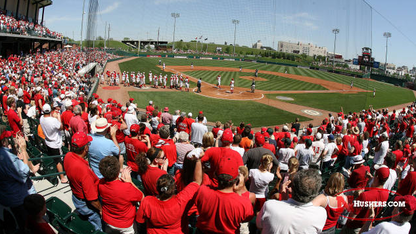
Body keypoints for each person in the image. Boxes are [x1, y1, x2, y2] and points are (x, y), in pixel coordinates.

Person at [136, 155, 202, 234]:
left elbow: (140, 221)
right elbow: (197, 181)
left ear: (157, 188)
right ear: (174, 188)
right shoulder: (181, 200)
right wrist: (197, 160)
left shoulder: (147, 201)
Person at [195, 155, 254, 233]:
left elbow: (196, 182)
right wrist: (238, 192)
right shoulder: (244, 203)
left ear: (215, 175)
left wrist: (198, 160)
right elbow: (246, 218)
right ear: (238, 179)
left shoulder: (202, 191)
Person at [256, 169, 326, 233]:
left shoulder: (269, 205)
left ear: (291, 187)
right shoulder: (320, 214)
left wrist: (283, 200)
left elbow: (259, 225)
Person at [0, 126, 39, 231]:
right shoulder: (6, 158)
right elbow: (24, 172)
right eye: (6, 138)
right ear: (3, 142)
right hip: (19, 199)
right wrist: (23, 149)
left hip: (7, 196)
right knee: (29, 226)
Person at [64, 131, 102, 231]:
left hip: (76, 196)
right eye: (88, 144)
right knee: (96, 225)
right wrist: (100, 209)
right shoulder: (83, 171)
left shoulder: (68, 156)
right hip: (86, 203)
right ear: (85, 148)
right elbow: (92, 199)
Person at [98, 156, 144, 233]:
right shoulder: (126, 188)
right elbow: (142, 197)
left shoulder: (100, 183)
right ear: (117, 171)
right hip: (125, 225)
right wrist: (130, 182)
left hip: (108, 221)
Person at [39, 103, 67, 183]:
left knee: (55, 158)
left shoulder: (41, 118)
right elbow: (61, 127)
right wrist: (58, 118)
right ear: (50, 111)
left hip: (48, 141)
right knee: (58, 160)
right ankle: (62, 177)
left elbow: (48, 119)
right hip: (55, 143)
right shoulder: (54, 120)